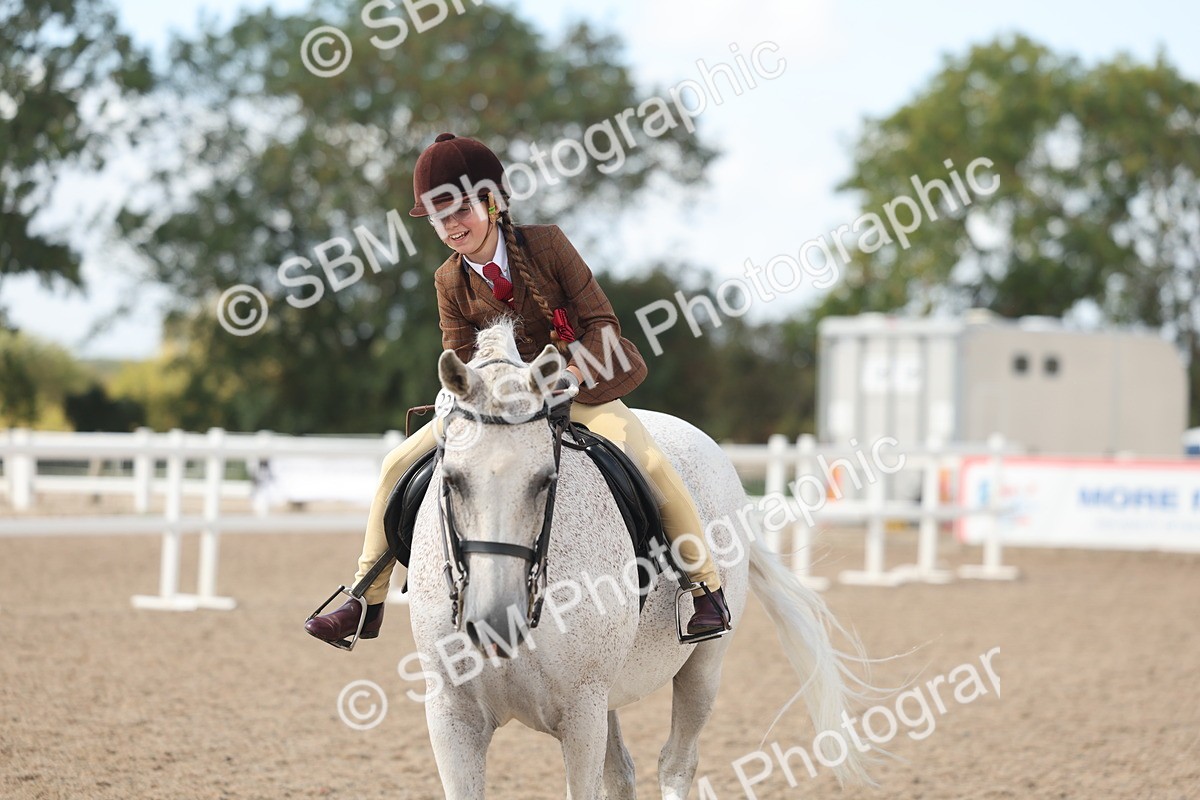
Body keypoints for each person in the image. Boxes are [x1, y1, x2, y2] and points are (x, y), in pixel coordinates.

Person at [304, 133, 731, 645]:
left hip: (575, 394)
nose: (451, 226)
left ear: (491, 202)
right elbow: (461, 355)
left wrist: (567, 377)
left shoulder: (547, 243)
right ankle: (363, 600)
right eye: (439, 217)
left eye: (460, 210)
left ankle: (705, 588)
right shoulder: (447, 279)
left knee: (653, 463)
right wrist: (466, 395)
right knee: (396, 464)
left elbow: (603, 325)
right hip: (495, 409)